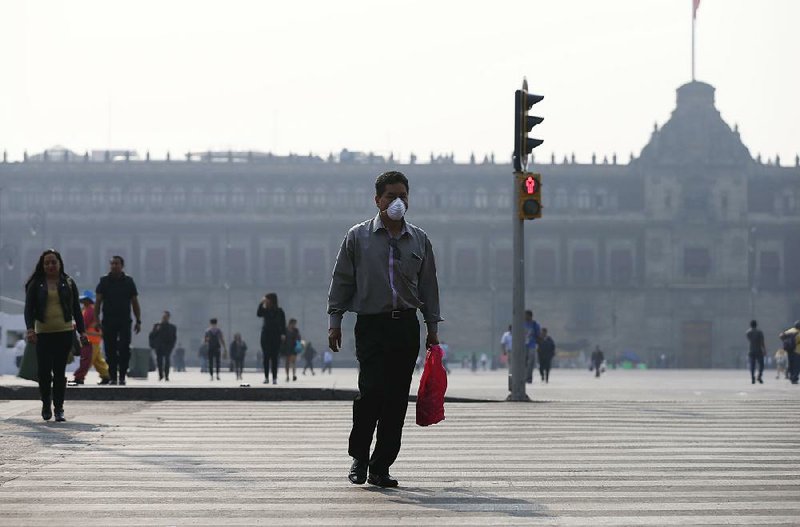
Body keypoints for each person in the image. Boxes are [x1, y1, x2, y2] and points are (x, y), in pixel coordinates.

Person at [328, 170, 441, 488]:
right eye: (391, 196)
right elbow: (342, 280)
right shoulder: (357, 237)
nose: (398, 201)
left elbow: (429, 286)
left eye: (403, 195)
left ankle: (381, 465)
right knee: (371, 393)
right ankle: (360, 457)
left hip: (405, 326)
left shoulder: (419, 239)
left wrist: (432, 327)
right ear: (377, 200)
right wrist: (335, 321)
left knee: (396, 399)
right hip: (371, 325)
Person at [24, 249, 87, 422]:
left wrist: (82, 331)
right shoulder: (36, 284)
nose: (51, 265)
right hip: (43, 334)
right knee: (44, 372)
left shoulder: (68, 282)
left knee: (60, 372)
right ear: (42, 266)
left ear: (60, 264)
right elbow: (28, 309)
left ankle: (59, 408)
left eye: (54, 262)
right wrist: (30, 329)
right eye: (47, 263)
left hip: (64, 332)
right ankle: (46, 404)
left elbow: (76, 310)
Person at [94, 255, 141, 385]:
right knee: (110, 349)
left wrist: (138, 320)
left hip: (125, 320)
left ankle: (122, 375)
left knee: (124, 348)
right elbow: (98, 302)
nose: (114, 266)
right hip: (108, 320)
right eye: (112, 264)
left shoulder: (129, 281)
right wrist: (97, 319)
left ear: (122, 266)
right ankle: (113, 376)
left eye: (117, 264)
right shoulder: (104, 281)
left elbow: (135, 302)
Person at [69, 291, 111, 386]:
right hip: (93, 340)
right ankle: (106, 376)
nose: (83, 301)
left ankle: (79, 378)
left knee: (86, 360)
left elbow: (84, 324)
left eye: (85, 299)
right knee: (98, 361)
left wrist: (73, 325)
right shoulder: (87, 309)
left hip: (90, 340)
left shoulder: (90, 310)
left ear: (89, 300)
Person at [257, 293, 286, 385]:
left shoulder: (280, 311)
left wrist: (283, 334)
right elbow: (258, 314)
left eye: (267, 299)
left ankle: (274, 377)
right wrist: (261, 303)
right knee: (266, 357)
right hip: (266, 336)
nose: (266, 300)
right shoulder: (265, 310)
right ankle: (266, 377)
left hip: (276, 336)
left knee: (274, 358)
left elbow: (283, 324)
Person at [149, 311, 177, 381]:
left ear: (168, 318)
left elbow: (174, 338)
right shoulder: (157, 326)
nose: (164, 318)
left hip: (167, 347)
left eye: (166, 317)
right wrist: (157, 330)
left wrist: (172, 346)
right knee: (159, 362)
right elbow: (151, 336)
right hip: (159, 347)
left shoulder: (172, 327)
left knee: (167, 361)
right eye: (163, 317)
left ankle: (167, 375)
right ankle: (160, 375)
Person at [745, 320, 766, 384]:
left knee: (752, 365)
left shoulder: (748, 332)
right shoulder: (759, 332)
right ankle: (759, 376)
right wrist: (764, 349)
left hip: (751, 350)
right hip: (759, 350)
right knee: (761, 364)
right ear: (756, 325)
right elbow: (762, 342)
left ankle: (752, 377)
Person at [524, 310, 541, 384]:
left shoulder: (535, 324)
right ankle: (523, 376)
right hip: (523, 346)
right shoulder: (521, 324)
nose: (524, 317)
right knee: (523, 362)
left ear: (530, 316)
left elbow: (538, 335)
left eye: (526, 315)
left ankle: (529, 377)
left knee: (531, 362)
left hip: (532, 345)